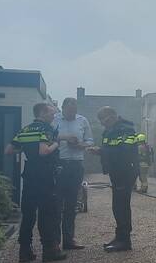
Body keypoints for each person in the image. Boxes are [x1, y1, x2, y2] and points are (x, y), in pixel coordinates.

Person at [5, 102, 67, 263]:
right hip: (45, 175)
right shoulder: (45, 129)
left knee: (28, 214)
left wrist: (26, 149)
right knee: (48, 212)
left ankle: (25, 250)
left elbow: (9, 150)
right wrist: (55, 143)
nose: (53, 117)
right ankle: (50, 250)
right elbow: (44, 151)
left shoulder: (25, 130)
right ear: (43, 113)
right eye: (51, 114)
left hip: (29, 174)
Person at [90, 106, 139, 252]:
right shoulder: (114, 129)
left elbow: (124, 150)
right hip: (117, 172)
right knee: (118, 206)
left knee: (121, 206)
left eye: (102, 120)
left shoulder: (125, 129)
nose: (102, 124)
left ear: (111, 116)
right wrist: (101, 152)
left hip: (124, 171)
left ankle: (124, 241)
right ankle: (120, 237)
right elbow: (113, 148)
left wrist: (100, 150)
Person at [52, 97, 93, 250]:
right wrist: (64, 137)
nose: (72, 113)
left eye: (74, 110)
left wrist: (81, 145)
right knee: (56, 203)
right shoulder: (54, 119)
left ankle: (69, 240)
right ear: (63, 108)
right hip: (59, 164)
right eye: (69, 110)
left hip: (76, 164)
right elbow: (47, 137)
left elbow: (90, 140)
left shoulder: (83, 120)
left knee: (71, 203)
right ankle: (55, 242)